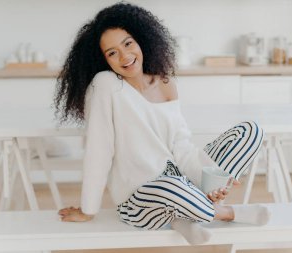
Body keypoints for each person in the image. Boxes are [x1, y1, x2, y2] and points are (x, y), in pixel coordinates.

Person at [55, 2, 269, 245]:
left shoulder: (165, 82)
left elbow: (181, 145)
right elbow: (99, 149)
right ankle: (227, 213)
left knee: (250, 131)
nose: (125, 56)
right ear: (103, 60)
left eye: (128, 43)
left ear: (141, 40)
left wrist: (211, 179)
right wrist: (88, 209)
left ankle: (193, 207)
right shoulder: (105, 84)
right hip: (138, 200)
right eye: (112, 52)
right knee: (171, 186)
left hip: (179, 182)